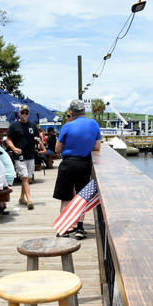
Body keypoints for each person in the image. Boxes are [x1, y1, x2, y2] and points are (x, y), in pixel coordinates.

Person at [54, 100, 102, 239]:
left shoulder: (67, 126)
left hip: (68, 164)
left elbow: (57, 149)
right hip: (84, 164)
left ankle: (64, 229)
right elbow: (97, 147)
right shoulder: (94, 124)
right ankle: (80, 228)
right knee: (82, 197)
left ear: (72, 113)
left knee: (65, 198)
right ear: (84, 112)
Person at [6, 104, 39, 209]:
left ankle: (21, 198)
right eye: (23, 112)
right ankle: (29, 199)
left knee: (27, 178)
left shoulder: (32, 125)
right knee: (24, 177)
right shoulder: (14, 125)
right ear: (19, 113)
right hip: (20, 156)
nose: (24, 114)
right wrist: (14, 148)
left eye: (26, 113)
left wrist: (37, 140)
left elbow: (36, 137)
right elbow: (8, 139)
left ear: (29, 114)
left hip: (30, 154)